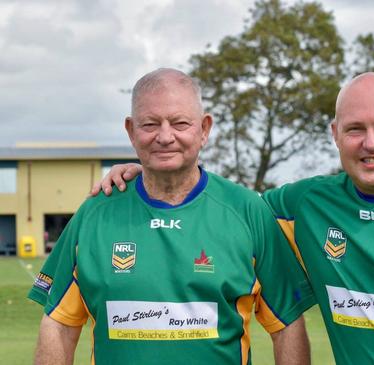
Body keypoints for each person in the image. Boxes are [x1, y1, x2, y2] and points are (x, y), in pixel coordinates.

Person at [94, 72, 374, 365]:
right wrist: (152, 173)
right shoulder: (306, 206)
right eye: (355, 129)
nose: (370, 142)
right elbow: (223, 209)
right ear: (336, 134)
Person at [29, 68, 315, 365]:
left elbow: (287, 326)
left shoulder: (247, 211)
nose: (165, 137)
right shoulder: (95, 213)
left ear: (204, 129)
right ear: (131, 130)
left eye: (179, 123)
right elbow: (59, 325)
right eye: (150, 124)